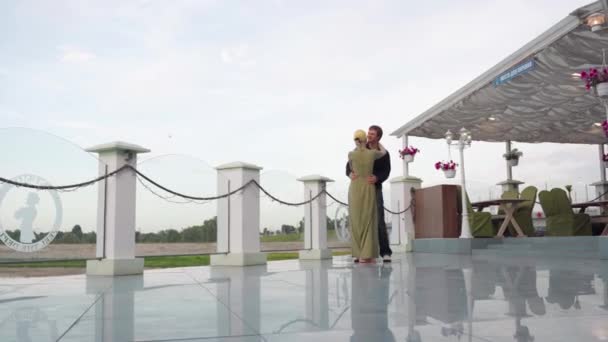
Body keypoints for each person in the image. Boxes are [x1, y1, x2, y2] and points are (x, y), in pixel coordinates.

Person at [346, 125, 392, 262]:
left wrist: (377, 178)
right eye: (368, 133)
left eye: (372, 134)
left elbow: (386, 171)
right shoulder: (359, 148)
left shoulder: (383, 153)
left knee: (378, 219)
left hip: (375, 188)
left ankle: (385, 252)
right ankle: (361, 252)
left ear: (378, 137)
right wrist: (350, 174)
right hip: (359, 189)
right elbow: (348, 166)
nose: (369, 135)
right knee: (359, 219)